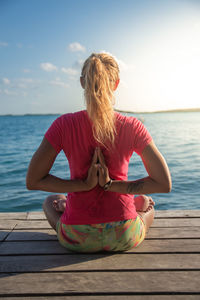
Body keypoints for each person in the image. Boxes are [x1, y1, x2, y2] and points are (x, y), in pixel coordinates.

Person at [26, 53, 171, 253]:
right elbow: (164, 183)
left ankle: (68, 205)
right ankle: (138, 207)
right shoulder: (132, 126)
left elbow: (33, 180)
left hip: (77, 237)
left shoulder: (63, 125)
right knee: (149, 209)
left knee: (50, 201)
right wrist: (110, 185)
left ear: (82, 83)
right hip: (124, 234)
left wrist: (83, 185)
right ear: (116, 84)